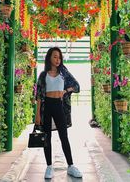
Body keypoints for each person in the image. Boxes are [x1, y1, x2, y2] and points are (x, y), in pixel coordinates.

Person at [35, 47, 83, 179]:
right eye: (55, 56)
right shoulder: (43, 75)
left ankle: (71, 166)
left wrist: (66, 91)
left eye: (59, 57)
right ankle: (49, 166)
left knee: (64, 136)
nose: (58, 59)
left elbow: (77, 86)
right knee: (47, 137)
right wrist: (37, 114)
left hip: (59, 106)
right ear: (49, 57)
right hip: (47, 107)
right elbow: (39, 96)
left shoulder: (64, 73)